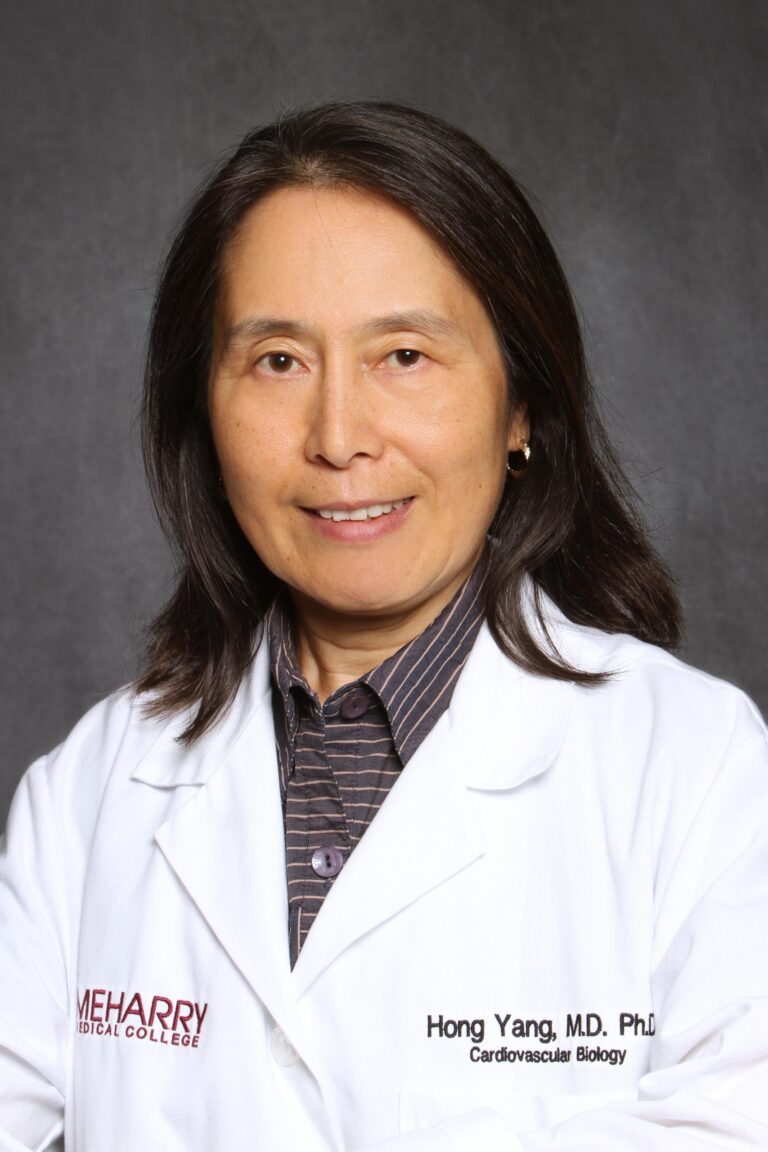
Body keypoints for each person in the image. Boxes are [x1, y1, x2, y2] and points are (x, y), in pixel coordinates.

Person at [1, 101, 767, 1152]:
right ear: (203, 411)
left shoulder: (702, 772)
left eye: (403, 355)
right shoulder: (90, 792)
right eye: (278, 361)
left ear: (521, 408)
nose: (339, 438)